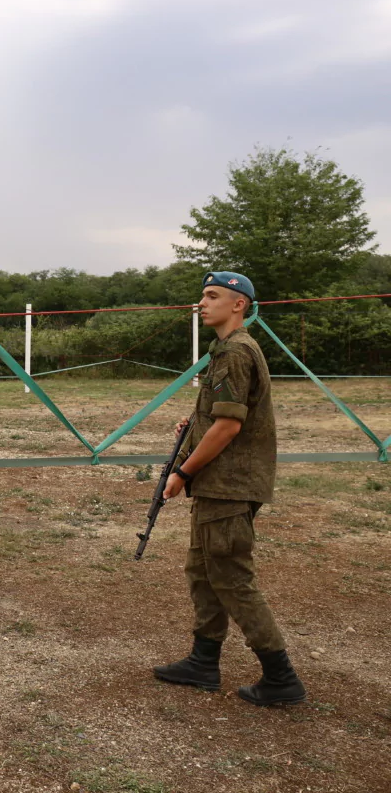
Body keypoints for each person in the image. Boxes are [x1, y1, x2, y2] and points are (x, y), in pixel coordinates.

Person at [154, 271, 306, 706]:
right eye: (202, 295)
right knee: (203, 571)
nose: (202, 303)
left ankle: (280, 676)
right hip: (221, 483)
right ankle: (203, 661)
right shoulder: (226, 349)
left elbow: (229, 425)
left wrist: (182, 472)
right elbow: (220, 415)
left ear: (238, 303)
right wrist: (195, 422)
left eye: (212, 295)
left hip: (229, 483)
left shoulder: (236, 350)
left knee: (231, 576)